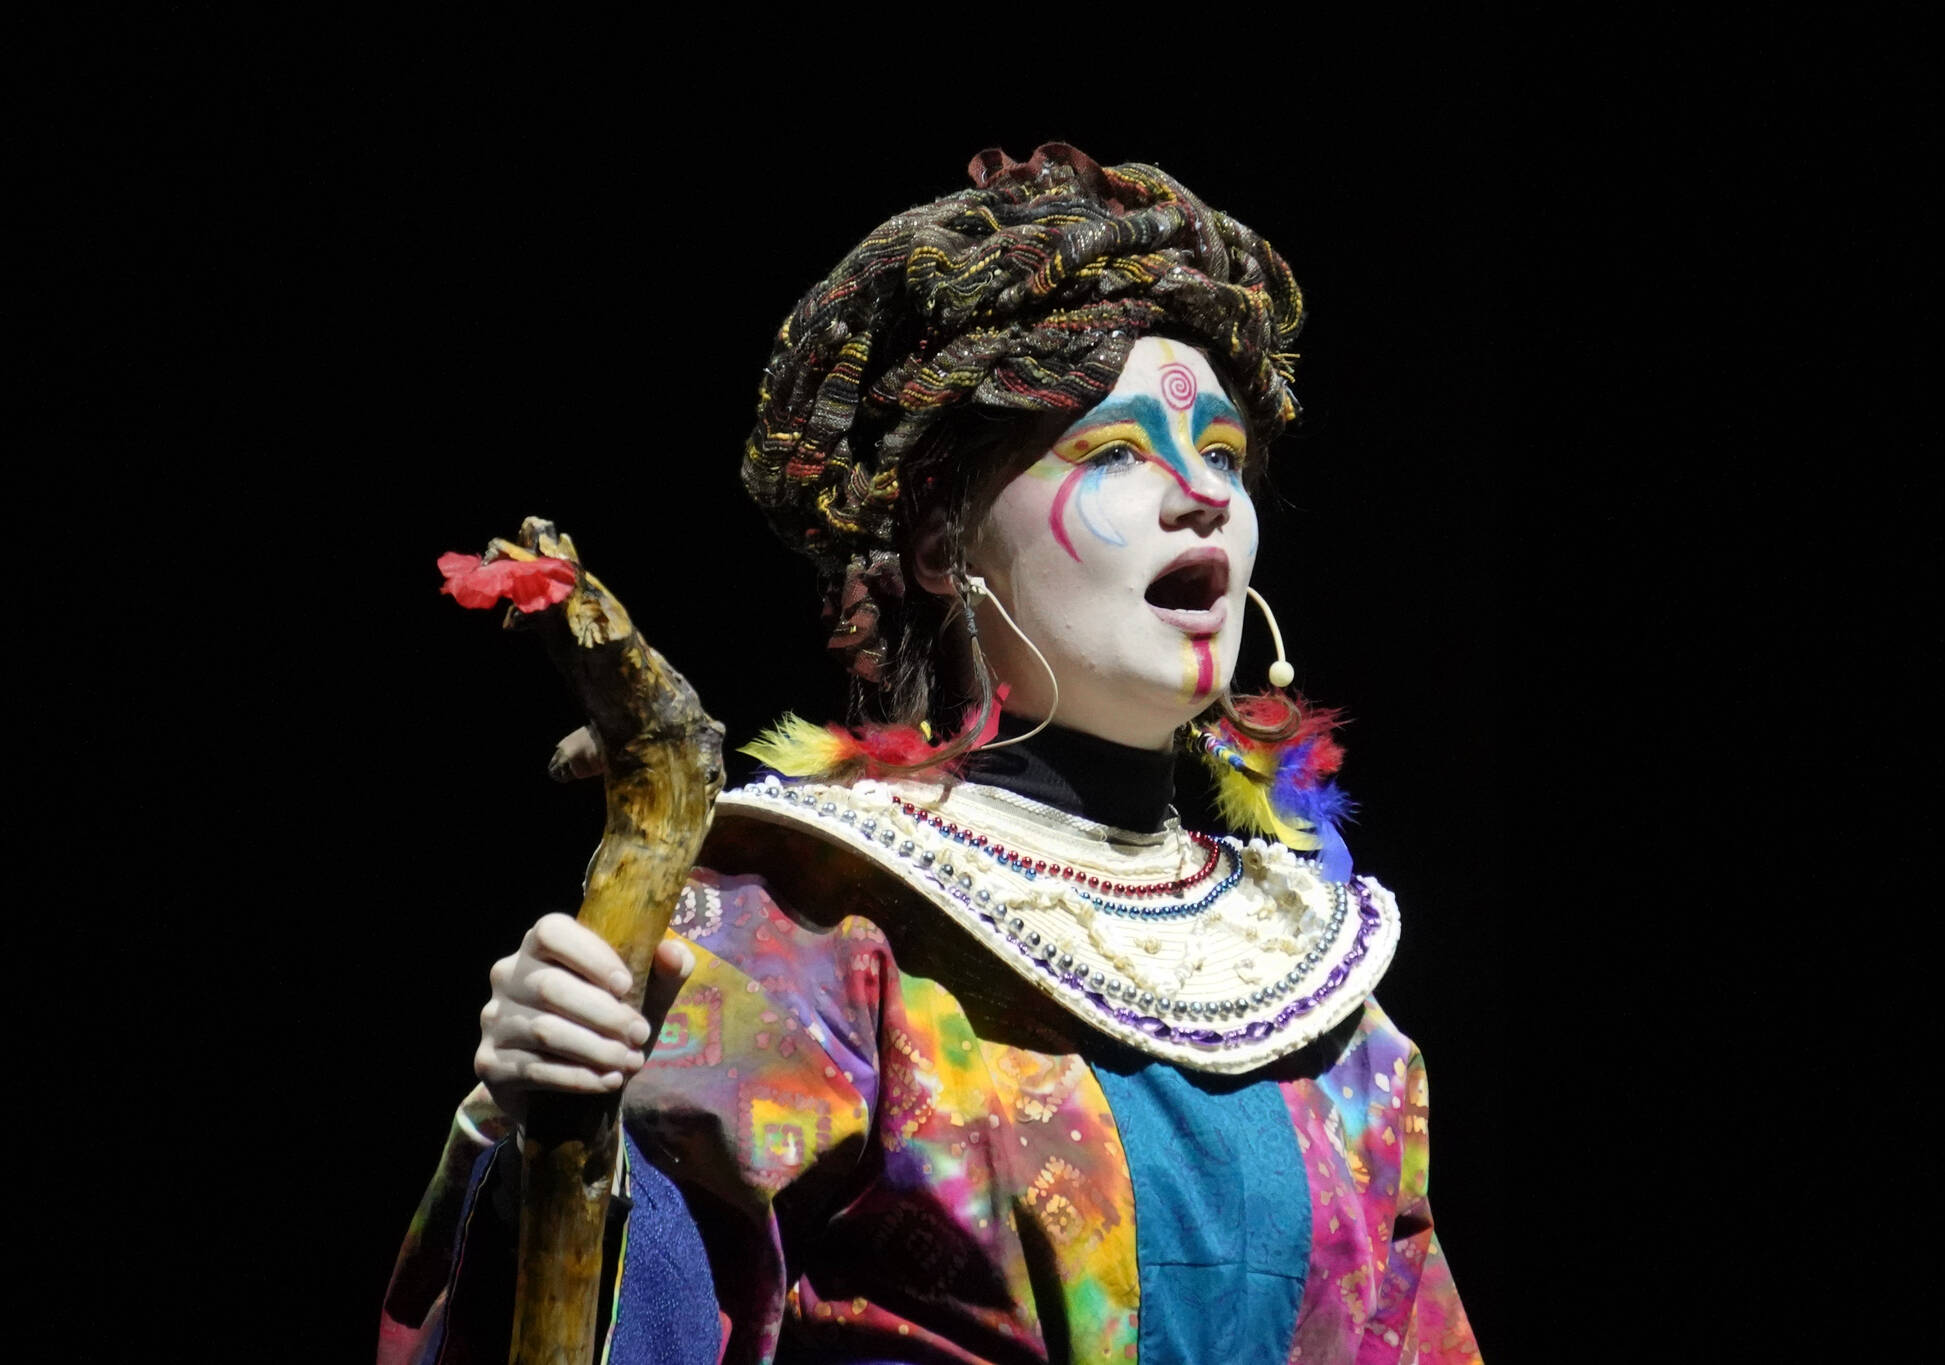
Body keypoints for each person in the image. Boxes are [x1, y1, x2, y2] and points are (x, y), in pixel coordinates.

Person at [380, 144, 1482, 1364]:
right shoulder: (797, 935)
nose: (1200, 495)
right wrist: (549, 1141)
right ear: (936, 544)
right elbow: (617, 1321)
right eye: (1111, 453)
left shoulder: (1327, 998)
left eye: (1222, 454)